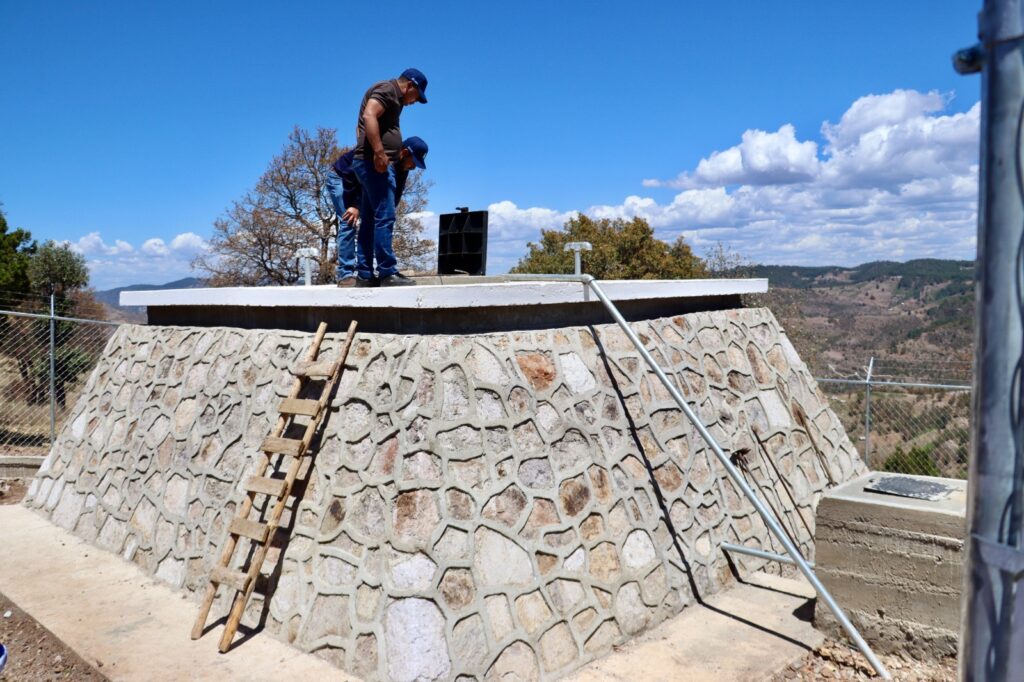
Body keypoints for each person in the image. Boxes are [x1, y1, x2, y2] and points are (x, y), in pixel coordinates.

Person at [350, 68, 428, 287]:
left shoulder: (395, 99)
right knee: (385, 216)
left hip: (370, 163)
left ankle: (365, 275)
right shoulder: (389, 90)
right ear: (410, 85)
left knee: (369, 221)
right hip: (375, 165)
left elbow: (360, 127)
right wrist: (378, 153)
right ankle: (387, 272)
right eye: (417, 96)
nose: (415, 102)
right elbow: (368, 115)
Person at [326, 137, 429, 287]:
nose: (414, 167)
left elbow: (394, 194)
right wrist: (353, 204)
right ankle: (345, 275)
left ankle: (365, 273)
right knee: (349, 221)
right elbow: (349, 172)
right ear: (404, 152)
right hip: (342, 177)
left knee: (372, 221)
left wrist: (386, 212)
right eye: (413, 161)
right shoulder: (381, 151)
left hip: (364, 184)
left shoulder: (402, 168)